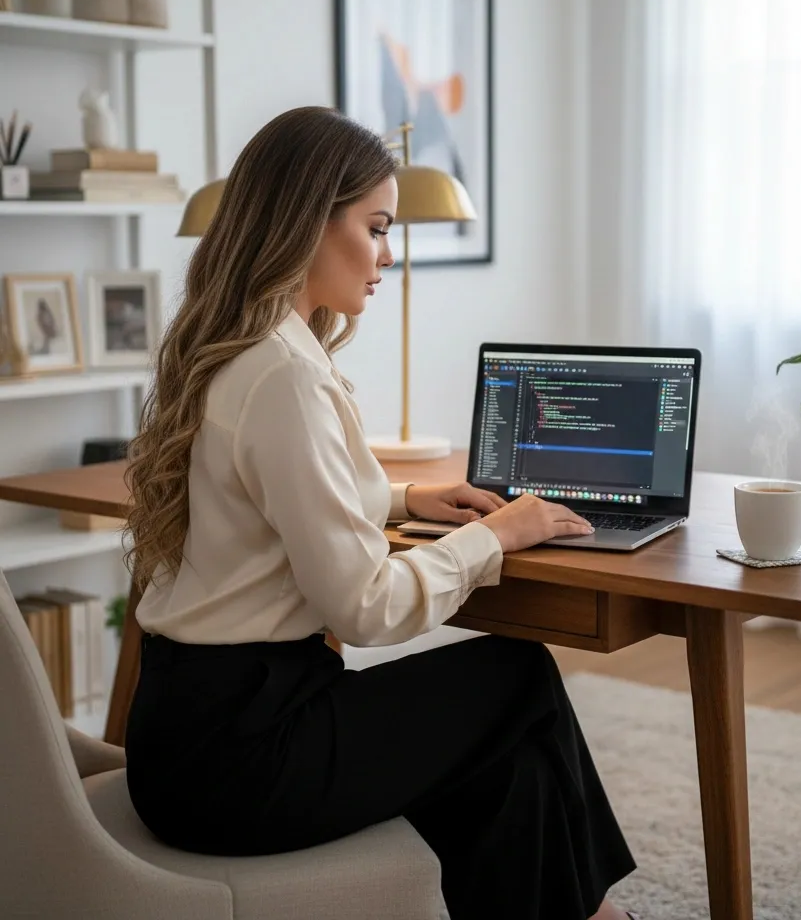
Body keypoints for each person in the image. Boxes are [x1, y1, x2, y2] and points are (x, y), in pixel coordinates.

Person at [123, 106, 639, 920]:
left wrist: (406, 499)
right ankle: (600, 915)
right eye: (376, 228)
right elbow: (364, 609)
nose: (388, 256)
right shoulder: (283, 375)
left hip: (187, 734)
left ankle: (592, 915)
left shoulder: (241, 347)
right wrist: (493, 535)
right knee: (517, 675)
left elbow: (263, 500)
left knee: (507, 765)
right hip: (239, 759)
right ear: (307, 222)